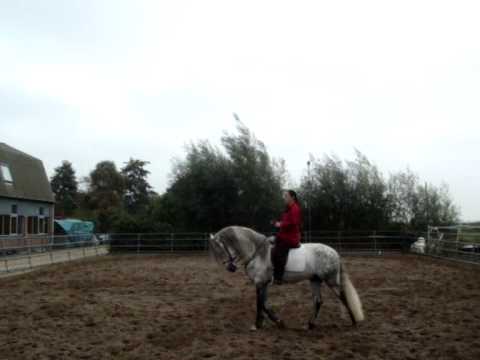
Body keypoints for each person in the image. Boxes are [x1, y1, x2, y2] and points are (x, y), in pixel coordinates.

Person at [271, 190, 303, 285]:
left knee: (279, 251)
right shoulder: (288, 208)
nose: (284, 198)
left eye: (286, 196)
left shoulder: (295, 208)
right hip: (284, 235)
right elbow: (285, 221)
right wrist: (276, 223)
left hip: (291, 238)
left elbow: (293, 223)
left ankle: (278, 278)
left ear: (292, 197)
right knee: (271, 244)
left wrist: (280, 224)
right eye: (284, 196)